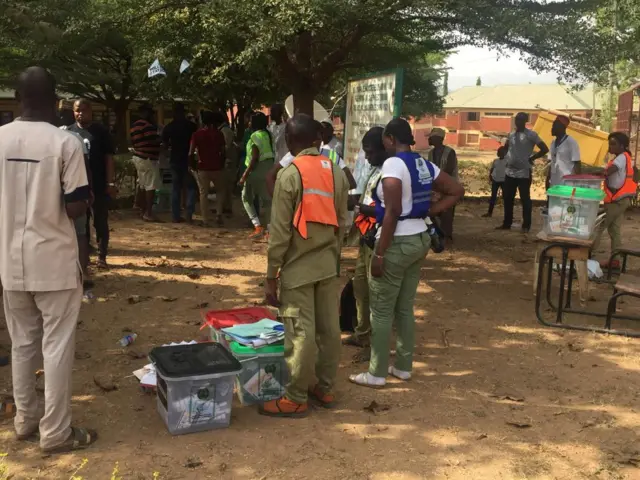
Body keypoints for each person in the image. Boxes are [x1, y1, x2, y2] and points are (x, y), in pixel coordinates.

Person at [0, 66, 97, 453]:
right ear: (56, 99)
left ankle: (25, 420)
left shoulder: (0, 139)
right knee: (55, 346)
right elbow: (76, 205)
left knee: (22, 343)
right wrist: (82, 198)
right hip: (53, 260)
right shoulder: (65, 143)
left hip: (10, 261)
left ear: (18, 98)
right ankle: (55, 433)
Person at [349, 118, 464, 389]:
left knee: (381, 311)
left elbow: (391, 211)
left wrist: (379, 254)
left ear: (389, 138)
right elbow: (455, 190)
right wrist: (427, 211)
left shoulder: (393, 164)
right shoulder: (424, 163)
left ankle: (376, 373)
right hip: (419, 239)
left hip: (396, 242)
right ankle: (402, 367)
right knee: (404, 308)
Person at [261, 114, 349, 417]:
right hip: (327, 266)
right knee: (329, 330)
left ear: (288, 142)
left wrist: (271, 277)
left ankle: (296, 397)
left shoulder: (289, 175)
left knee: (300, 332)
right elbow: (343, 223)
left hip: (298, 269)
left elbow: (280, 234)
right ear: (318, 140)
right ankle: (324, 390)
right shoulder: (336, 172)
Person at [342, 127, 387, 353]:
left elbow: (388, 210)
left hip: (379, 238)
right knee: (360, 285)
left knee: (376, 291)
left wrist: (359, 207)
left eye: (369, 151)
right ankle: (362, 333)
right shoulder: (375, 169)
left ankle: (374, 344)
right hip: (365, 236)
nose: (366, 157)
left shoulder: (390, 173)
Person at [67, 99, 116, 269]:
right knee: (82, 223)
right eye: (77, 110)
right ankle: (84, 257)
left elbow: (109, 158)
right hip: (79, 186)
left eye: (84, 110)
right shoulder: (69, 132)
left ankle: (102, 256)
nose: (80, 113)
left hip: (99, 184)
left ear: (91, 111)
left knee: (100, 221)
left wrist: (110, 183)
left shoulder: (101, 132)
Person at [266, 121, 356, 196]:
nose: (318, 139)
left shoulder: (331, 155)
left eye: (320, 136)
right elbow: (270, 176)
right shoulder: (293, 155)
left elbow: (351, 183)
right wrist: (279, 199)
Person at [496, 112, 549, 233]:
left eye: (520, 120)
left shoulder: (531, 135)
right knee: (508, 198)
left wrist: (532, 158)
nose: (518, 122)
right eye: (516, 120)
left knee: (525, 199)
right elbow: (508, 148)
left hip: (524, 172)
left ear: (525, 121)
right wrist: (504, 151)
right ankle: (507, 223)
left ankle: (526, 226)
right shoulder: (512, 135)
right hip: (510, 172)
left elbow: (544, 149)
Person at [592, 132, 638, 269]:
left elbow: (609, 171)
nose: (610, 146)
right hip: (622, 199)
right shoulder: (625, 157)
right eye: (609, 143)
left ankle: (588, 254)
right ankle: (616, 260)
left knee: (598, 225)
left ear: (622, 146)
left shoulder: (621, 158)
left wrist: (593, 172)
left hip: (617, 200)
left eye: (613, 144)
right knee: (614, 230)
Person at [239, 112, 274, 239]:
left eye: (250, 120)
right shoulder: (268, 135)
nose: (248, 122)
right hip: (268, 169)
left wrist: (244, 175)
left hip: (256, 170)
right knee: (267, 201)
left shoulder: (254, 136)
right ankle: (270, 231)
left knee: (246, 197)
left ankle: (257, 226)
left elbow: (254, 158)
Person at [189, 111, 227, 227]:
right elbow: (224, 151)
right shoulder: (219, 134)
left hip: (203, 167)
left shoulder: (197, 134)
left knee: (203, 193)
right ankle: (219, 214)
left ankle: (205, 219)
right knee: (220, 191)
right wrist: (222, 163)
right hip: (217, 167)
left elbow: (190, 152)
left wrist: (192, 166)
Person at [162, 103, 198, 223]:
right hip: (188, 160)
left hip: (174, 160)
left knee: (176, 188)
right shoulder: (192, 126)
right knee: (191, 187)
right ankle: (189, 213)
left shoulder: (169, 127)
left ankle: (175, 216)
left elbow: (165, 145)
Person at [130, 104, 162, 222]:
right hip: (148, 158)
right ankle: (148, 212)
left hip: (138, 156)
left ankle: (142, 210)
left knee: (143, 184)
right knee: (150, 186)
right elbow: (154, 140)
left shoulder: (134, 126)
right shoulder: (148, 126)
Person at [428, 128, 458, 247]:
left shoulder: (450, 152)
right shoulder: (431, 153)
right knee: (434, 211)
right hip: (435, 187)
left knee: (447, 212)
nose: (429, 139)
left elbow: (449, 170)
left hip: (448, 187)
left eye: (431, 137)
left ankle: (447, 236)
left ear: (438, 138)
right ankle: (437, 235)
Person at [548, 115, 581, 187]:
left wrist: (578, 184)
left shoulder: (571, 142)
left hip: (567, 184)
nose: (552, 128)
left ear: (561, 127)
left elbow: (577, 164)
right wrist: (548, 181)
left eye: (554, 126)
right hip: (554, 184)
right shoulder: (553, 143)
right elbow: (551, 164)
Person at [215, 111, 237, 216]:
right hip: (225, 160)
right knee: (224, 185)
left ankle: (227, 207)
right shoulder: (223, 130)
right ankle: (224, 206)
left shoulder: (225, 131)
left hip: (227, 160)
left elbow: (226, 147)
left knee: (226, 185)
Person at [483, 146, 508, 218]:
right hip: (495, 180)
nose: (499, 153)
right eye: (499, 152)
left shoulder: (507, 161)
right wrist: (490, 176)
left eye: (501, 152)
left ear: (505, 153)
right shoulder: (495, 161)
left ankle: (507, 214)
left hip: (504, 181)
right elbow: (492, 169)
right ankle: (489, 213)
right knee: (493, 197)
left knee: (506, 197)